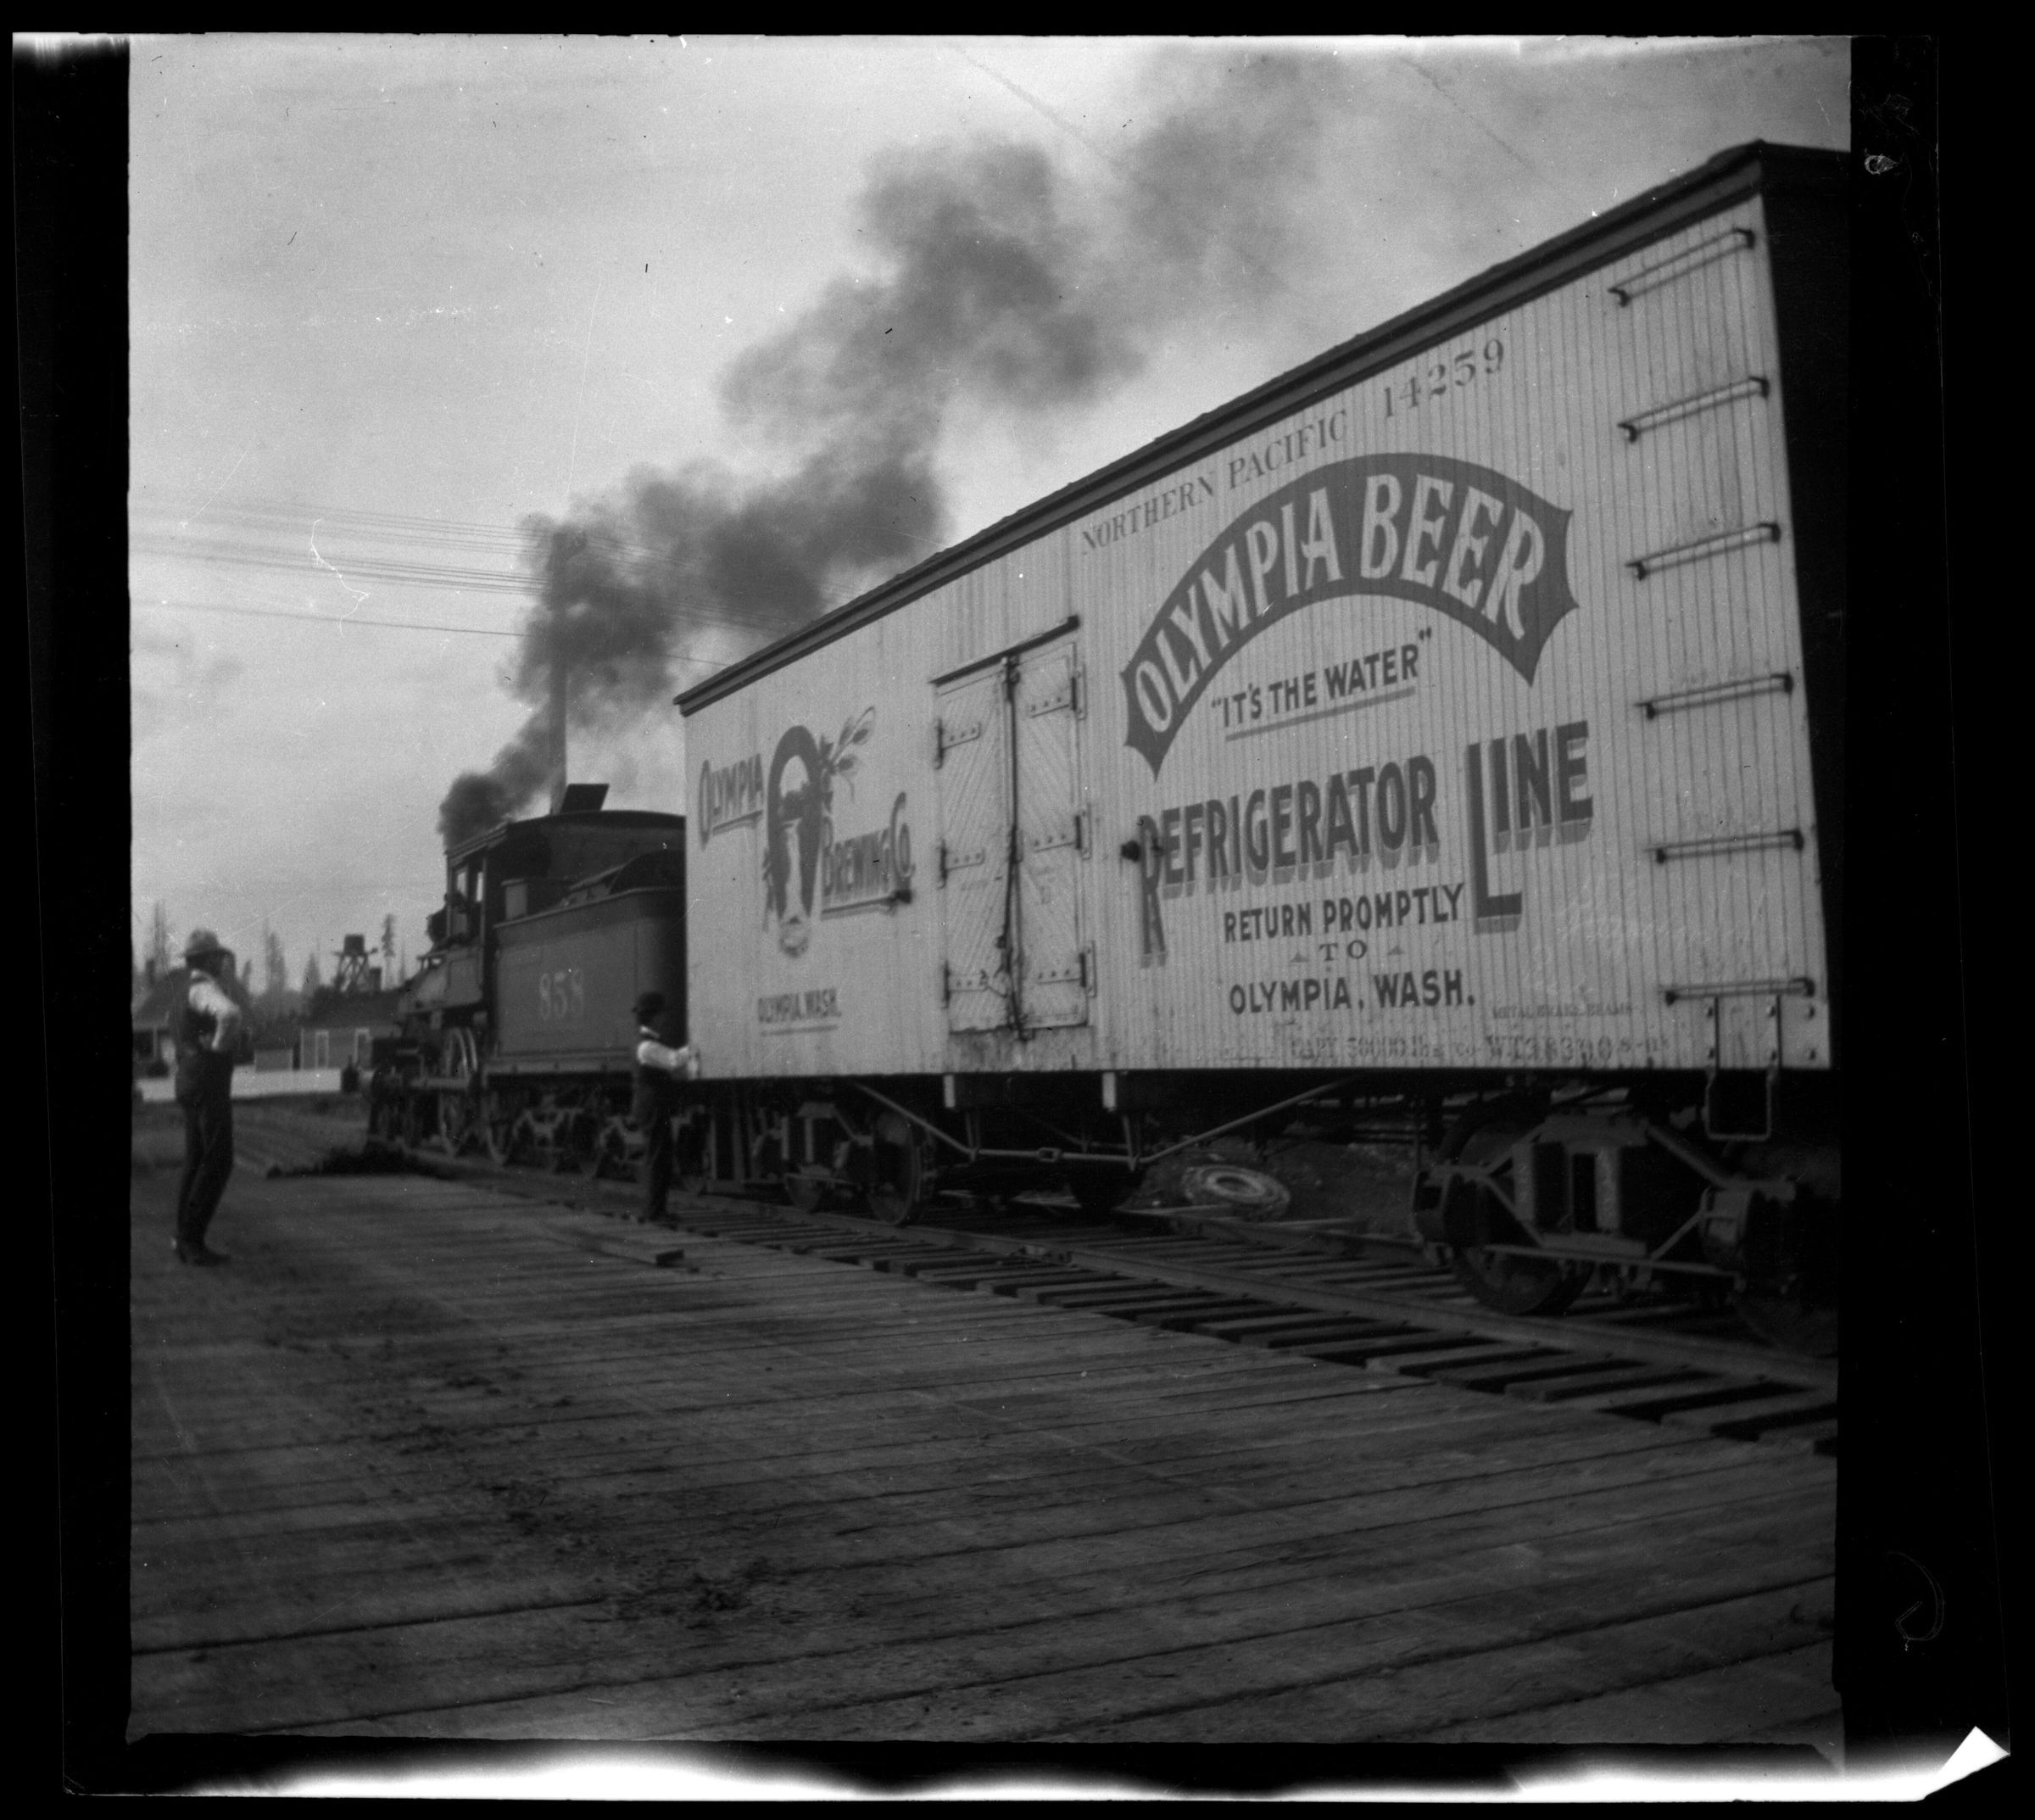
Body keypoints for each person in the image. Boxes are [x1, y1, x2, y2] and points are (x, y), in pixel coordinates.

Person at [173, 929, 244, 1265]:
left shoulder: (182, 992)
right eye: (217, 956)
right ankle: (192, 1240)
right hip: (207, 1081)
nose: (221, 961)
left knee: (195, 1159)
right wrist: (218, 1050)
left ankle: (183, 1239)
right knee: (218, 1160)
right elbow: (230, 1015)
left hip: (187, 1081)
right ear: (207, 959)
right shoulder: (205, 989)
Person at [632, 991, 698, 1224]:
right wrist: (698, 1045)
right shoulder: (647, 1047)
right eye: (662, 1014)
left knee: (660, 1156)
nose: (665, 1018)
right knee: (658, 1157)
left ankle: (658, 1210)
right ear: (653, 1017)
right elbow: (674, 1060)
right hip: (652, 1108)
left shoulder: (649, 1043)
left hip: (654, 1107)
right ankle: (654, 1212)